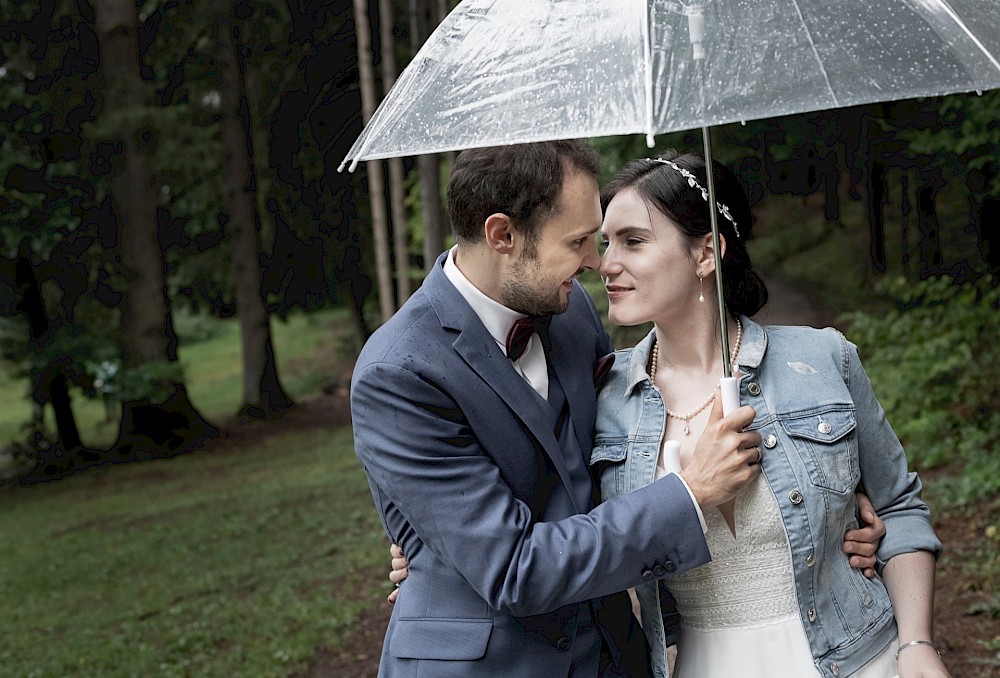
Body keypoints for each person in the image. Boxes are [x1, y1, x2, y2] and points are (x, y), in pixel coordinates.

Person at [351, 139, 772, 677]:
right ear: (502, 235)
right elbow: (513, 569)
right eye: (578, 242)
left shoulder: (569, 316)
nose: (597, 262)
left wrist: (828, 506)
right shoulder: (398, 371)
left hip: (611, 654)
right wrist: (692, 491)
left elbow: (617, 455)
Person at [591, 151, 948, 678]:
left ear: (706, 252)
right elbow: (575, 543)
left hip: (856, 660)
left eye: (633, 241)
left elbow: (897, 508)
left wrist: (917, 643)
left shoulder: (822, 360)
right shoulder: (601, 395)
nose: (606, 264)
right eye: (604, 244)